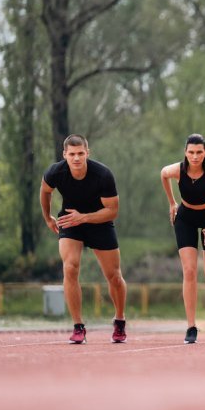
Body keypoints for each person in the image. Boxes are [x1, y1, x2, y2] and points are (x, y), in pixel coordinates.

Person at [40, 134, 127, 344]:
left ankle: (119, 320)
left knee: (114, 275)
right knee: (70, 268)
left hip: (100, 221)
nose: (76, 158)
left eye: (80, 153)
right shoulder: (55, 172)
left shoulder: (103, 175)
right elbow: (45, 192)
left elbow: (112, 211)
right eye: (72, 154)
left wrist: (85, 217)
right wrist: (48, 218)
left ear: (88, 153)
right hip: (70, 220)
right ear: (65, 155)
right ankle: (78, 326)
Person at [160, 134, 205, 344]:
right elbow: (163, 174)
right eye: (191, 152)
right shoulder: (178, 170)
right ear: (185, 153)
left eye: (199, 152)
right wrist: (172, 203)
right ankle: (191, 326)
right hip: (186, 217)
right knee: (189, 271)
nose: (195, 156)